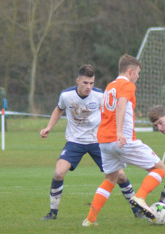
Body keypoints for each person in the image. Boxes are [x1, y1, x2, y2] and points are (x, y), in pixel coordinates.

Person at [40, 64, 141, 221]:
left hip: (98, 141)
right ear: (78, 81)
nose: (88, 86)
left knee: (120, 176)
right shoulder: (66, 95)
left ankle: (137, 210)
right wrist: (48, 127)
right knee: (59, 173)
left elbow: (114, 112)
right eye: (85, 83)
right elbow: (59, 109)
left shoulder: (101, 95)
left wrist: (118, 133)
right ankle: (52, 213)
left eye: (91, 83)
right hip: (75, 141)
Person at [82, 54, 165, 227]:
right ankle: (140, 197)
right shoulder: (126, 85)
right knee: (160, 168)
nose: (138, 76)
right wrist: (120, 132)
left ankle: (89, 220)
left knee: (110, 179)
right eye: (138, 73)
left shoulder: (110, 86)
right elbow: (121, 105)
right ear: (130, 71)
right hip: (121, 140)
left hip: (104, 142)